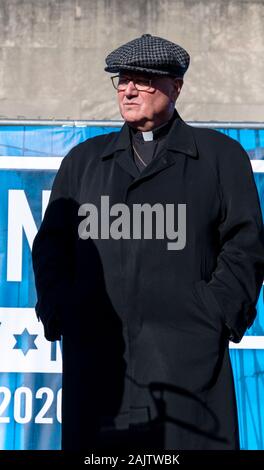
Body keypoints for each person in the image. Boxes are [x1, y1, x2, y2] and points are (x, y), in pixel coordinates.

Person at [32, 34, 264, 450]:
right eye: (122, 79)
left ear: (176, 86)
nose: (128, 88)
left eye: (143, 78)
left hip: (189, 368)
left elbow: (245, 244)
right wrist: (62, 309)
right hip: (100, 363)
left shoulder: (219, 158)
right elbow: (51, 248)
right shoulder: (84, 162)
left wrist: (215, 313)